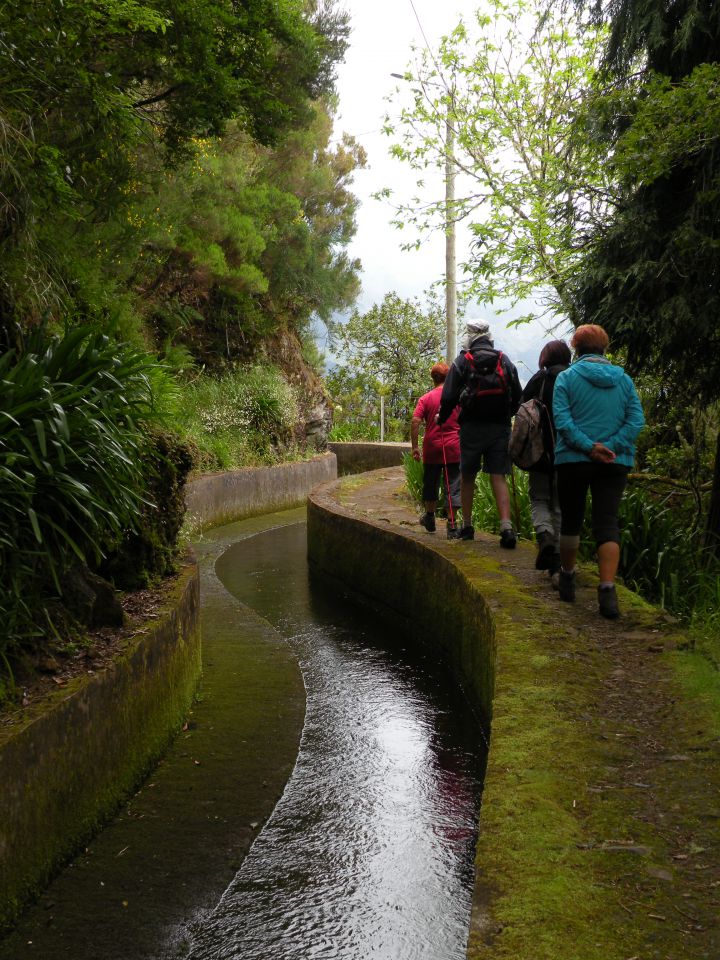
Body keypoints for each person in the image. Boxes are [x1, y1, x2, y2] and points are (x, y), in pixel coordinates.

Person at [553, 324, 645, 619]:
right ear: (605, 348)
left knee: (571, 521)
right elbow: (636, 420)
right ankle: (607, 592)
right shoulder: (624, 381)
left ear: (575, 347)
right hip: (614, 461)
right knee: (607, 523)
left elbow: (562, 421)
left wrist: (588, 447)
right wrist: (610, 446)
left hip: (573, 460)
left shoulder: (566, 378)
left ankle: (567, 578)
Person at [437, 319, 522, 546]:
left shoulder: (463, 360)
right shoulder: (503, 359)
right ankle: (506, 527)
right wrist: (507, 417)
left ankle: (467, 526)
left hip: (471, 427)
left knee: (467, 476)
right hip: (499, 427)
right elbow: (517, 393)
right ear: (488, 334)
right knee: (498, 476)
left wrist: (441, 418)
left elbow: (448, 397)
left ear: (469, 335)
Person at [520, 340, 572, 576]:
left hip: (540, 452)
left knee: (539, 498)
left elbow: (520, 407)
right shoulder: (573, 377)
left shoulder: (539, 380)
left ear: (545, 358)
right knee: (560, 506)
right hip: (569, 451)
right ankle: (559, 562)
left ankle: (545, 536)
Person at [411, 363, 462, 537]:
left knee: (430, 483)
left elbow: (415, 421)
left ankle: (430, 517)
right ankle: (452, 524)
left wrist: (415, 447)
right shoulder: (456, 398)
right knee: (453, 484)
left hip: (432, 446)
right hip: (454, 446)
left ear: (433, 378)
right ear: (448, 378)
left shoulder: (425, 398)